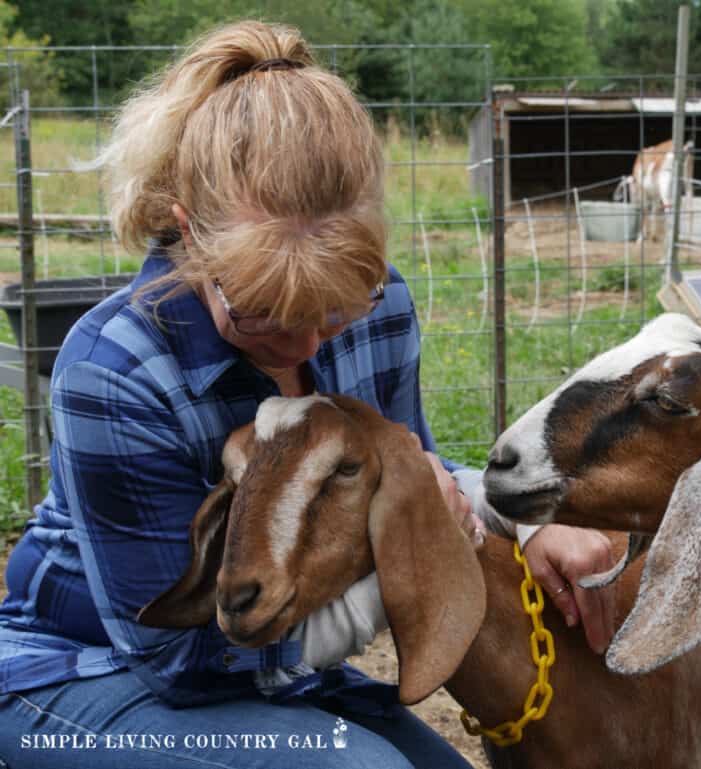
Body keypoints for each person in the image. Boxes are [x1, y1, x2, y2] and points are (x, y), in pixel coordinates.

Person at [0, 20, 617, 769]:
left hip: (274, 666)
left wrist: (519, 520)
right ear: (188, 234)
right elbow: (178, 660)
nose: (301, 347)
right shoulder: (113, 370)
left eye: (332, 309)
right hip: (83, 670)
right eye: (258, 309)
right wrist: (384, 594)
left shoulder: (383, 305)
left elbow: (407, 468)